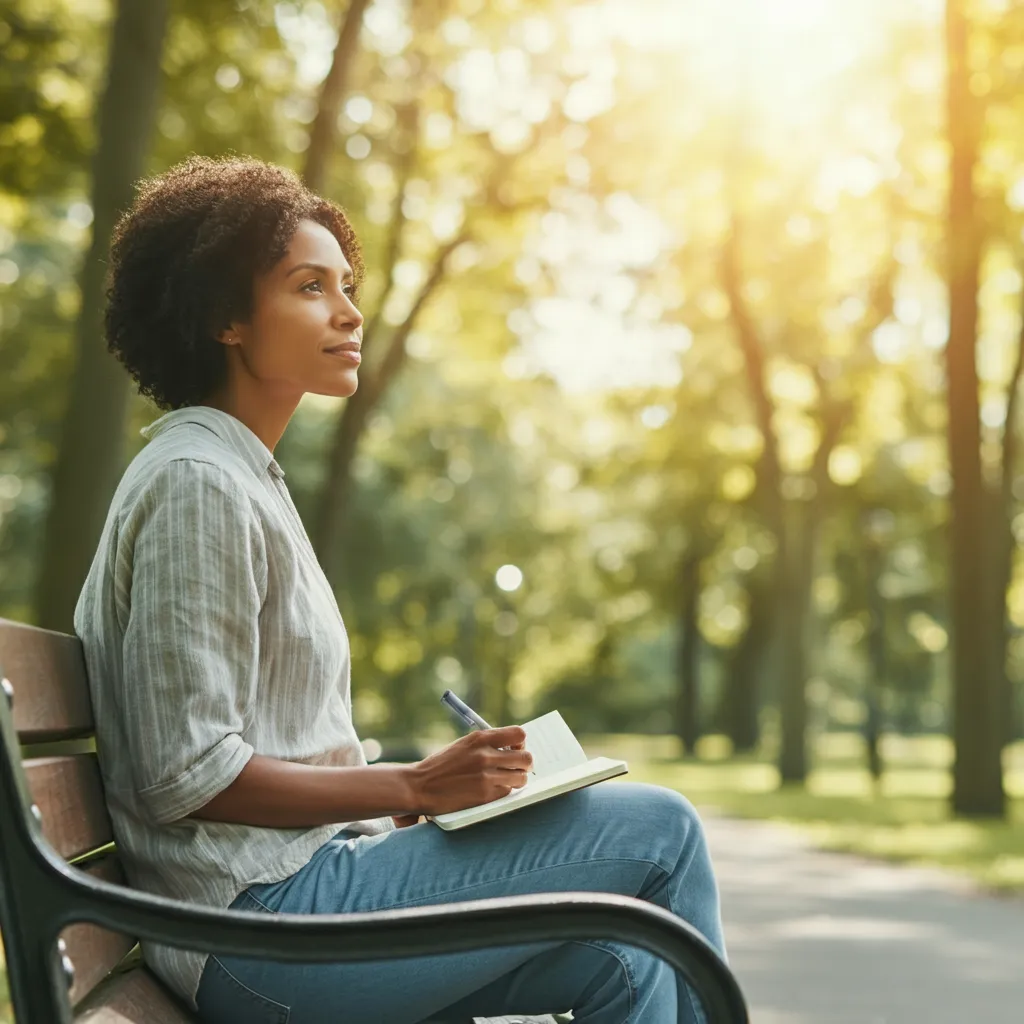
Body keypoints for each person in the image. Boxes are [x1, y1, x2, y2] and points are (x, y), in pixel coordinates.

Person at [74, 155, 727, 1024]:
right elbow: (186, 775)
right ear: (225, 316)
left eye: (345, 285)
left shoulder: (239, 476)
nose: (349, 312)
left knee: (623, 957)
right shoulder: (198, 482)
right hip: (261, 936)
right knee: (662, 829)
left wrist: (404, 817)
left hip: (293, 911)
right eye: (310, 287)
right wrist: (412, 788)